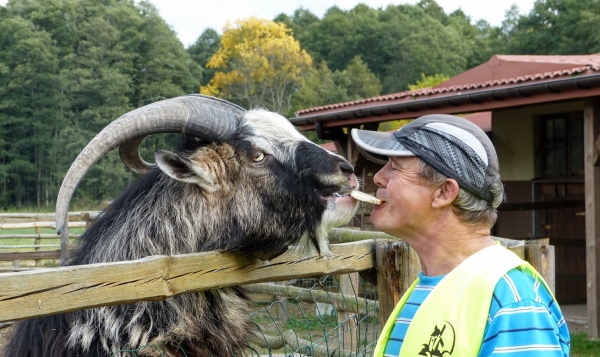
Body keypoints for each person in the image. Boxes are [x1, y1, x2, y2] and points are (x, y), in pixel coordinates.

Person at [351, 114, 570, 357]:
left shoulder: (512, 302)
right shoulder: (425, 290)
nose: (378, 177)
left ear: (444, 192)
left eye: (395, 166)